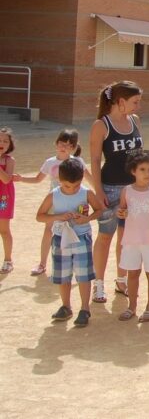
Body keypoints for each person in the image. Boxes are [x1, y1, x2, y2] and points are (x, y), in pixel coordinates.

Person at [88, 80, 143, 304]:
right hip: (109, 189)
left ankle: (121, 280)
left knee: (126, 240)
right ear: (120, 102)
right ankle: (98, 284)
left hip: (132, 189)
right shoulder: (101, 125)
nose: (138, 106)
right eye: (134, 102)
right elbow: (93, 159)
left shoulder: (135, 121)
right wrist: (98, 189)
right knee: (105, 237)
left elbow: (140, 156)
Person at [35, 157, 102, 326]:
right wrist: (58, 217)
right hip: (60, 238)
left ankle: (85, 309)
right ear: (59, 179)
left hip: (81, 238)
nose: (72, 189)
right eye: (67, 186)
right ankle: (66, 306)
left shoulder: (86, 192)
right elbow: (39, 216)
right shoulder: (54, 195)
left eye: (76, 185)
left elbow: (99, 210)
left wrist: (86, 219)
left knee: (83, 275)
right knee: (63, 275)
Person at [13, 128, 86, 277]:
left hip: (74, 201)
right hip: (54, 201)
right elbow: (37, 179)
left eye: (68, 144)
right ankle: (42, 263)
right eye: (61, 143)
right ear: (56, 143)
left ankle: (74, 264)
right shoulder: (50, 162)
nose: (64, 147)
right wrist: (21, 179)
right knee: (49, 230)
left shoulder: (77, 162)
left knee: (75, 231)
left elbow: (88, 178)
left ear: (74, 147)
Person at [116, 149, 149, 323]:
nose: (147, 173)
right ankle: (132, 307)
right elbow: (122, 210)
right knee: (133, 274)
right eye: (142, 169)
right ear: (133, 171)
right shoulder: (126, 191)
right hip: (131, 241)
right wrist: (121, 213)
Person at [0, 127, 14, 273]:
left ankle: (8, 260)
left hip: (3, 197)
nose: (2, 143)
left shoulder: (9, 160)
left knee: (4, 230)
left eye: (5, 141)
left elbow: (6, 179)